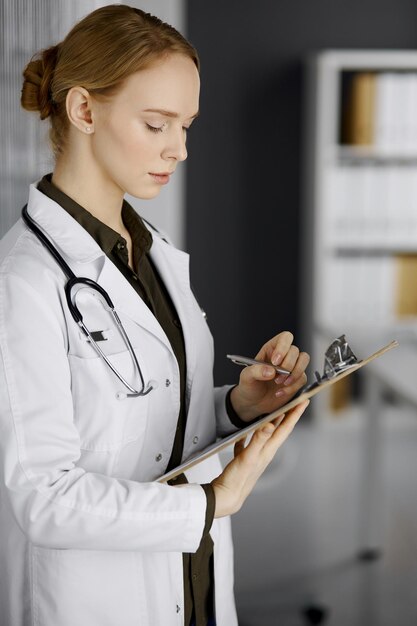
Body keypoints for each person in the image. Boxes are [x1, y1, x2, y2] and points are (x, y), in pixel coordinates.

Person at [0, 5, 310, 626]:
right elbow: (43, 499)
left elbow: (151, 417)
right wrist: (210, 504)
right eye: (157, 124)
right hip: (94, 598)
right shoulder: (24, 281)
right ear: (84, 111)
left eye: (187, 125)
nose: (181, 149)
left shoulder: (153, 254)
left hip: (189, 579)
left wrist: (234, 407)